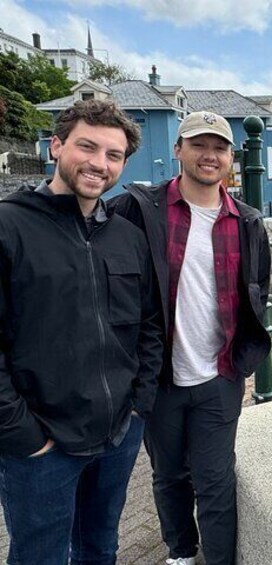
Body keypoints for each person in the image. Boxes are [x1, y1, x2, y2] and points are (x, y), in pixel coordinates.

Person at [0, 99, 163, 564]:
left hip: (118, 433)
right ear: (56, 146)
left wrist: (139, 404)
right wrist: (23, 434)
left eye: (113, 155)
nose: (99, 163)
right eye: (87, 147)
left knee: (101, 547)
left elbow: (149, 325)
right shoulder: (9, 226)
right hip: (40, 444)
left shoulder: (127, 237)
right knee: (40, 557)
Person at [110, 111, 271, 565]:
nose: (209, 155)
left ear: (231, 159)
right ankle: (181, 552)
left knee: (215, 479)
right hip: (159, 377)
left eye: (219, 147)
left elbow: (256, 290)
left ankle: (219, 560)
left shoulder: (248, 222)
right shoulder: (139, 210)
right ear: (177, 150)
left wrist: (245, 359)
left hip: (220, 374)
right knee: (168, 475)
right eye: (198, 144)